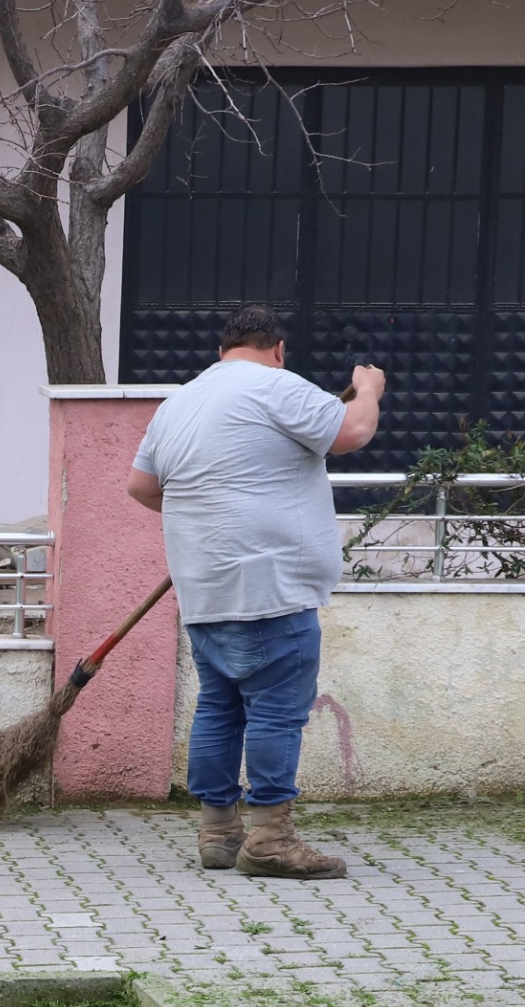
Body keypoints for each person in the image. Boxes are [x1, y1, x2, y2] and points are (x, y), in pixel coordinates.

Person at [128, 304, 384, 879]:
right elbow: (352, 432)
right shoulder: (275, 386)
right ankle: (271, 838)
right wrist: (367, 388)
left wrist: (210, 513)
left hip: (205, 586)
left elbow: (141, 486)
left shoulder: (179, 403)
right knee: (275, 711)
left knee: (218, 707)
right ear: (279, 349)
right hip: (270, 586)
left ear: (221, 350)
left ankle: (218, 833)